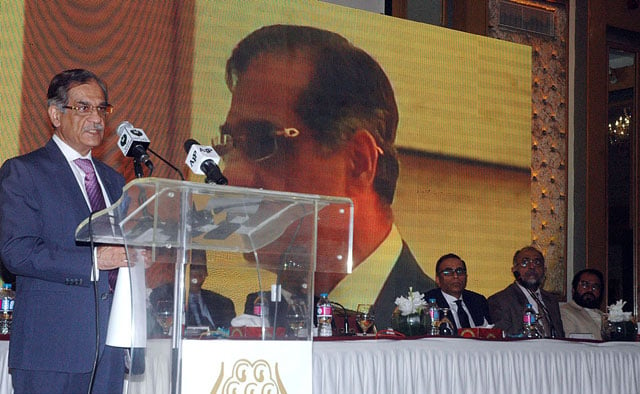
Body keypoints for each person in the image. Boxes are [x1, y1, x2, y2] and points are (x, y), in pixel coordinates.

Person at [218, 24, 435, 330]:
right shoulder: (264, 312)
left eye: (262, 141)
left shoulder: (433, 318)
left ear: (358, 161)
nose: (231, 176)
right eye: (231, 144)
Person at [0, 69, 129, 393]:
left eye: (102, 108)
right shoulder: (24, 172)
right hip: (51, 349)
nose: (96, 118)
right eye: (83, 107)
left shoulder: (115, 181)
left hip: (109, 351)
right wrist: (95, 261)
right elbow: (17, 252)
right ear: (55, 115)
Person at [148, 250, 236, 334]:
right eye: (192, 268)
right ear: (180, 270)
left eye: (201, 268)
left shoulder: (223, 304)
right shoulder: (162, 296)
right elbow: (159, 333)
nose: (196, 275)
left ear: (206, 272)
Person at [487, 246, 565, 338]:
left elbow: (560, 336)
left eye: (537, 262)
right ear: (514, 270)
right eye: (525, 262)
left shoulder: (551, 300)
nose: (532, 267)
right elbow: (505, 338)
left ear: (545, 270)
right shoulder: (500, 300)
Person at [425, 253, 491, 332]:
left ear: (466, 277)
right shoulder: (427, 302)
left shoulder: (478, 301)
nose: (455, 276)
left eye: (460, 271)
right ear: (438, 279)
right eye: (448, 272)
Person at [560, 268, 605, 340]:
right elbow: (571, 344)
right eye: (584, 285)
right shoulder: (565, 312)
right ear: (573, 290)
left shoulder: (604, 316)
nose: (590, 289)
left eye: (595, 287)